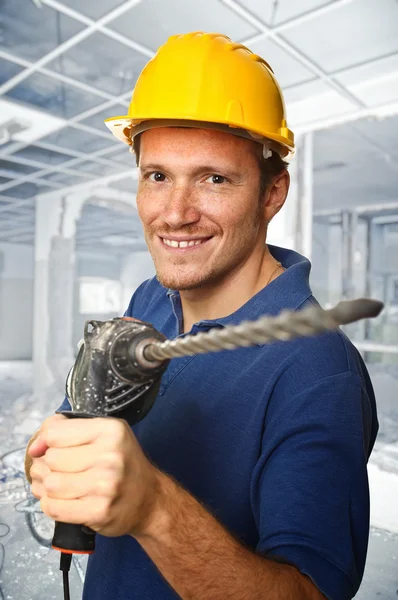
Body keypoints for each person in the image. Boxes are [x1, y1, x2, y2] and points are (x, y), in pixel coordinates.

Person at [25, 32, 378, 600]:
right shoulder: (147, 300)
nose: (175, 214)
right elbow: (76, 429)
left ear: (272, 192)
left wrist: (154, 510)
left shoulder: (317, 371)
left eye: (214, 178)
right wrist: (54, 462)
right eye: (157, 176)